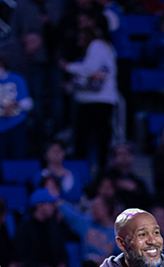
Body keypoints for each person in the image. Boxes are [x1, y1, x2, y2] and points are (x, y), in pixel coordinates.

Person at [62, 25, 118, 171]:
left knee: (93, 140)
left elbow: (90, 69)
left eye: (81, 37)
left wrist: (68, 66)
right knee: (90, 139)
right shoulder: (102, 49)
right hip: (91, 100)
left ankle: (99, 171)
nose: (79, 41)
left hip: (98, 101)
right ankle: (89, 171)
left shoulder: (97, 45)